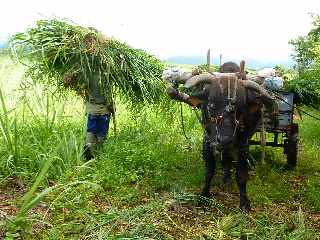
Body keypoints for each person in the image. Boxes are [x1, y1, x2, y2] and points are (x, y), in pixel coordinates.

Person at [65, 32, 114, 161]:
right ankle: (94, 151)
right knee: (100, 130)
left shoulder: (100, 63)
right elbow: (72, 78)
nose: (89, 44)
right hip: (100, 105)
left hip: (97, 104)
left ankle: (90, 149)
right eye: (88, 42)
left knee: (92, 127)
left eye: (91, 42)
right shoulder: (88, 64)